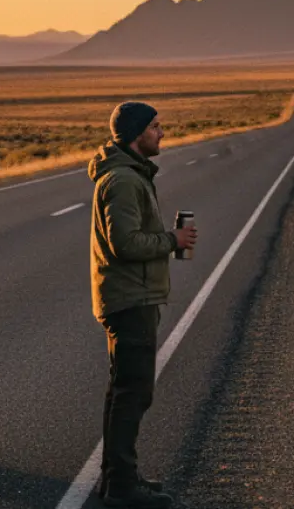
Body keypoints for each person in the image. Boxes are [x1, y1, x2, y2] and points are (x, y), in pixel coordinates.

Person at [87, 101, 198, 508]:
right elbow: (125, 243)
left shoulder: (129, 176)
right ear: (136, 134)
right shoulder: (122, 181)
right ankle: (121, 487)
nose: (162, 132)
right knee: (133, 392)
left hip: (131, 296)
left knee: (123, 391)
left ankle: (118, 476)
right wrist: (173, 241)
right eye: (155, 126)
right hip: (130, 298)